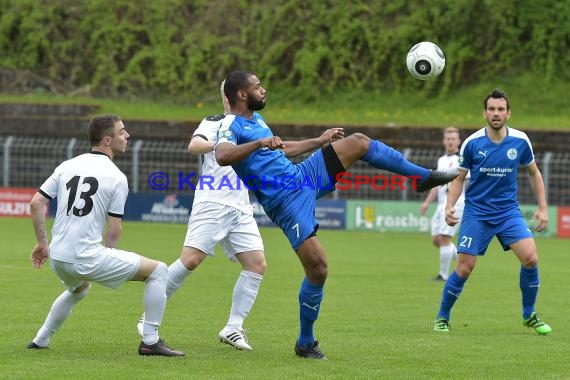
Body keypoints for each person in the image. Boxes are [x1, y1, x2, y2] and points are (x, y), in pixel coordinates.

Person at [214, 71, 458, 359]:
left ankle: (421, 177)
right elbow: (222, 155)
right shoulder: (230, 125)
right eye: (258, 87)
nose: (264, 90)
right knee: (318, 268)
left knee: (358, 142)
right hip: (285, 202)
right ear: (242, 94)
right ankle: (305, 342)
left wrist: (319, 141)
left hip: (302, 176)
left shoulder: (256, 120)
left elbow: (282, 149)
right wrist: (258, 144)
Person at [27, 114, 185, 356]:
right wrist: (105, 256)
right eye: (122, 132)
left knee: (78, 289)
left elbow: (36, 203)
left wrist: (42, 243)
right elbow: (114, 230)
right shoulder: (116, 177)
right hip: (86, 258)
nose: (127, 135)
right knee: (159, 271)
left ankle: (41, 339)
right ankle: (150, 341)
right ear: (107, 140)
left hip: (58, 258)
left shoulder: (67, 165)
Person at [433, 89, 551, 335]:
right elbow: (459, 178)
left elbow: (534, 172)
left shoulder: (520, 141)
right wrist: (449, 205)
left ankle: (528, 314)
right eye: (491, 109)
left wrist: (542, 207)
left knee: (530, 258)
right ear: (484, 113)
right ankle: (442, 317)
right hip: (477, 213)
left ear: (508, 113)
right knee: (465, 267)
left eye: (500, 109)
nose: (496, 114)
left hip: (508, 212)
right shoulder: (473, 143)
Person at [420, 127, 466, 281]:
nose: (451, 141)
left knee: (445, 238)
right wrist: (427, 203)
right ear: (444, 141)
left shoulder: (462, 159)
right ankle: (462, 262)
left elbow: (465, 182)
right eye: (448, 138)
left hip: (455, 203)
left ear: (458, 141)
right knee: (437, 240)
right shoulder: (441, 160)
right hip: (441, 205)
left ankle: (444, 275)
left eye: (453, 138)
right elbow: (437, 184)